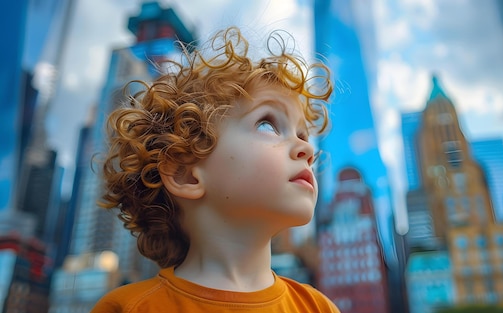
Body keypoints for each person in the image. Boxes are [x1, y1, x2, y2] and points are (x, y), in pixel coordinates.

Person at [91, 26, 338, 312]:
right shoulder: (129, 308)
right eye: (267, 124)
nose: (306, 150)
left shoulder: (319, 307)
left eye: (303, 135)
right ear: (186, 175)